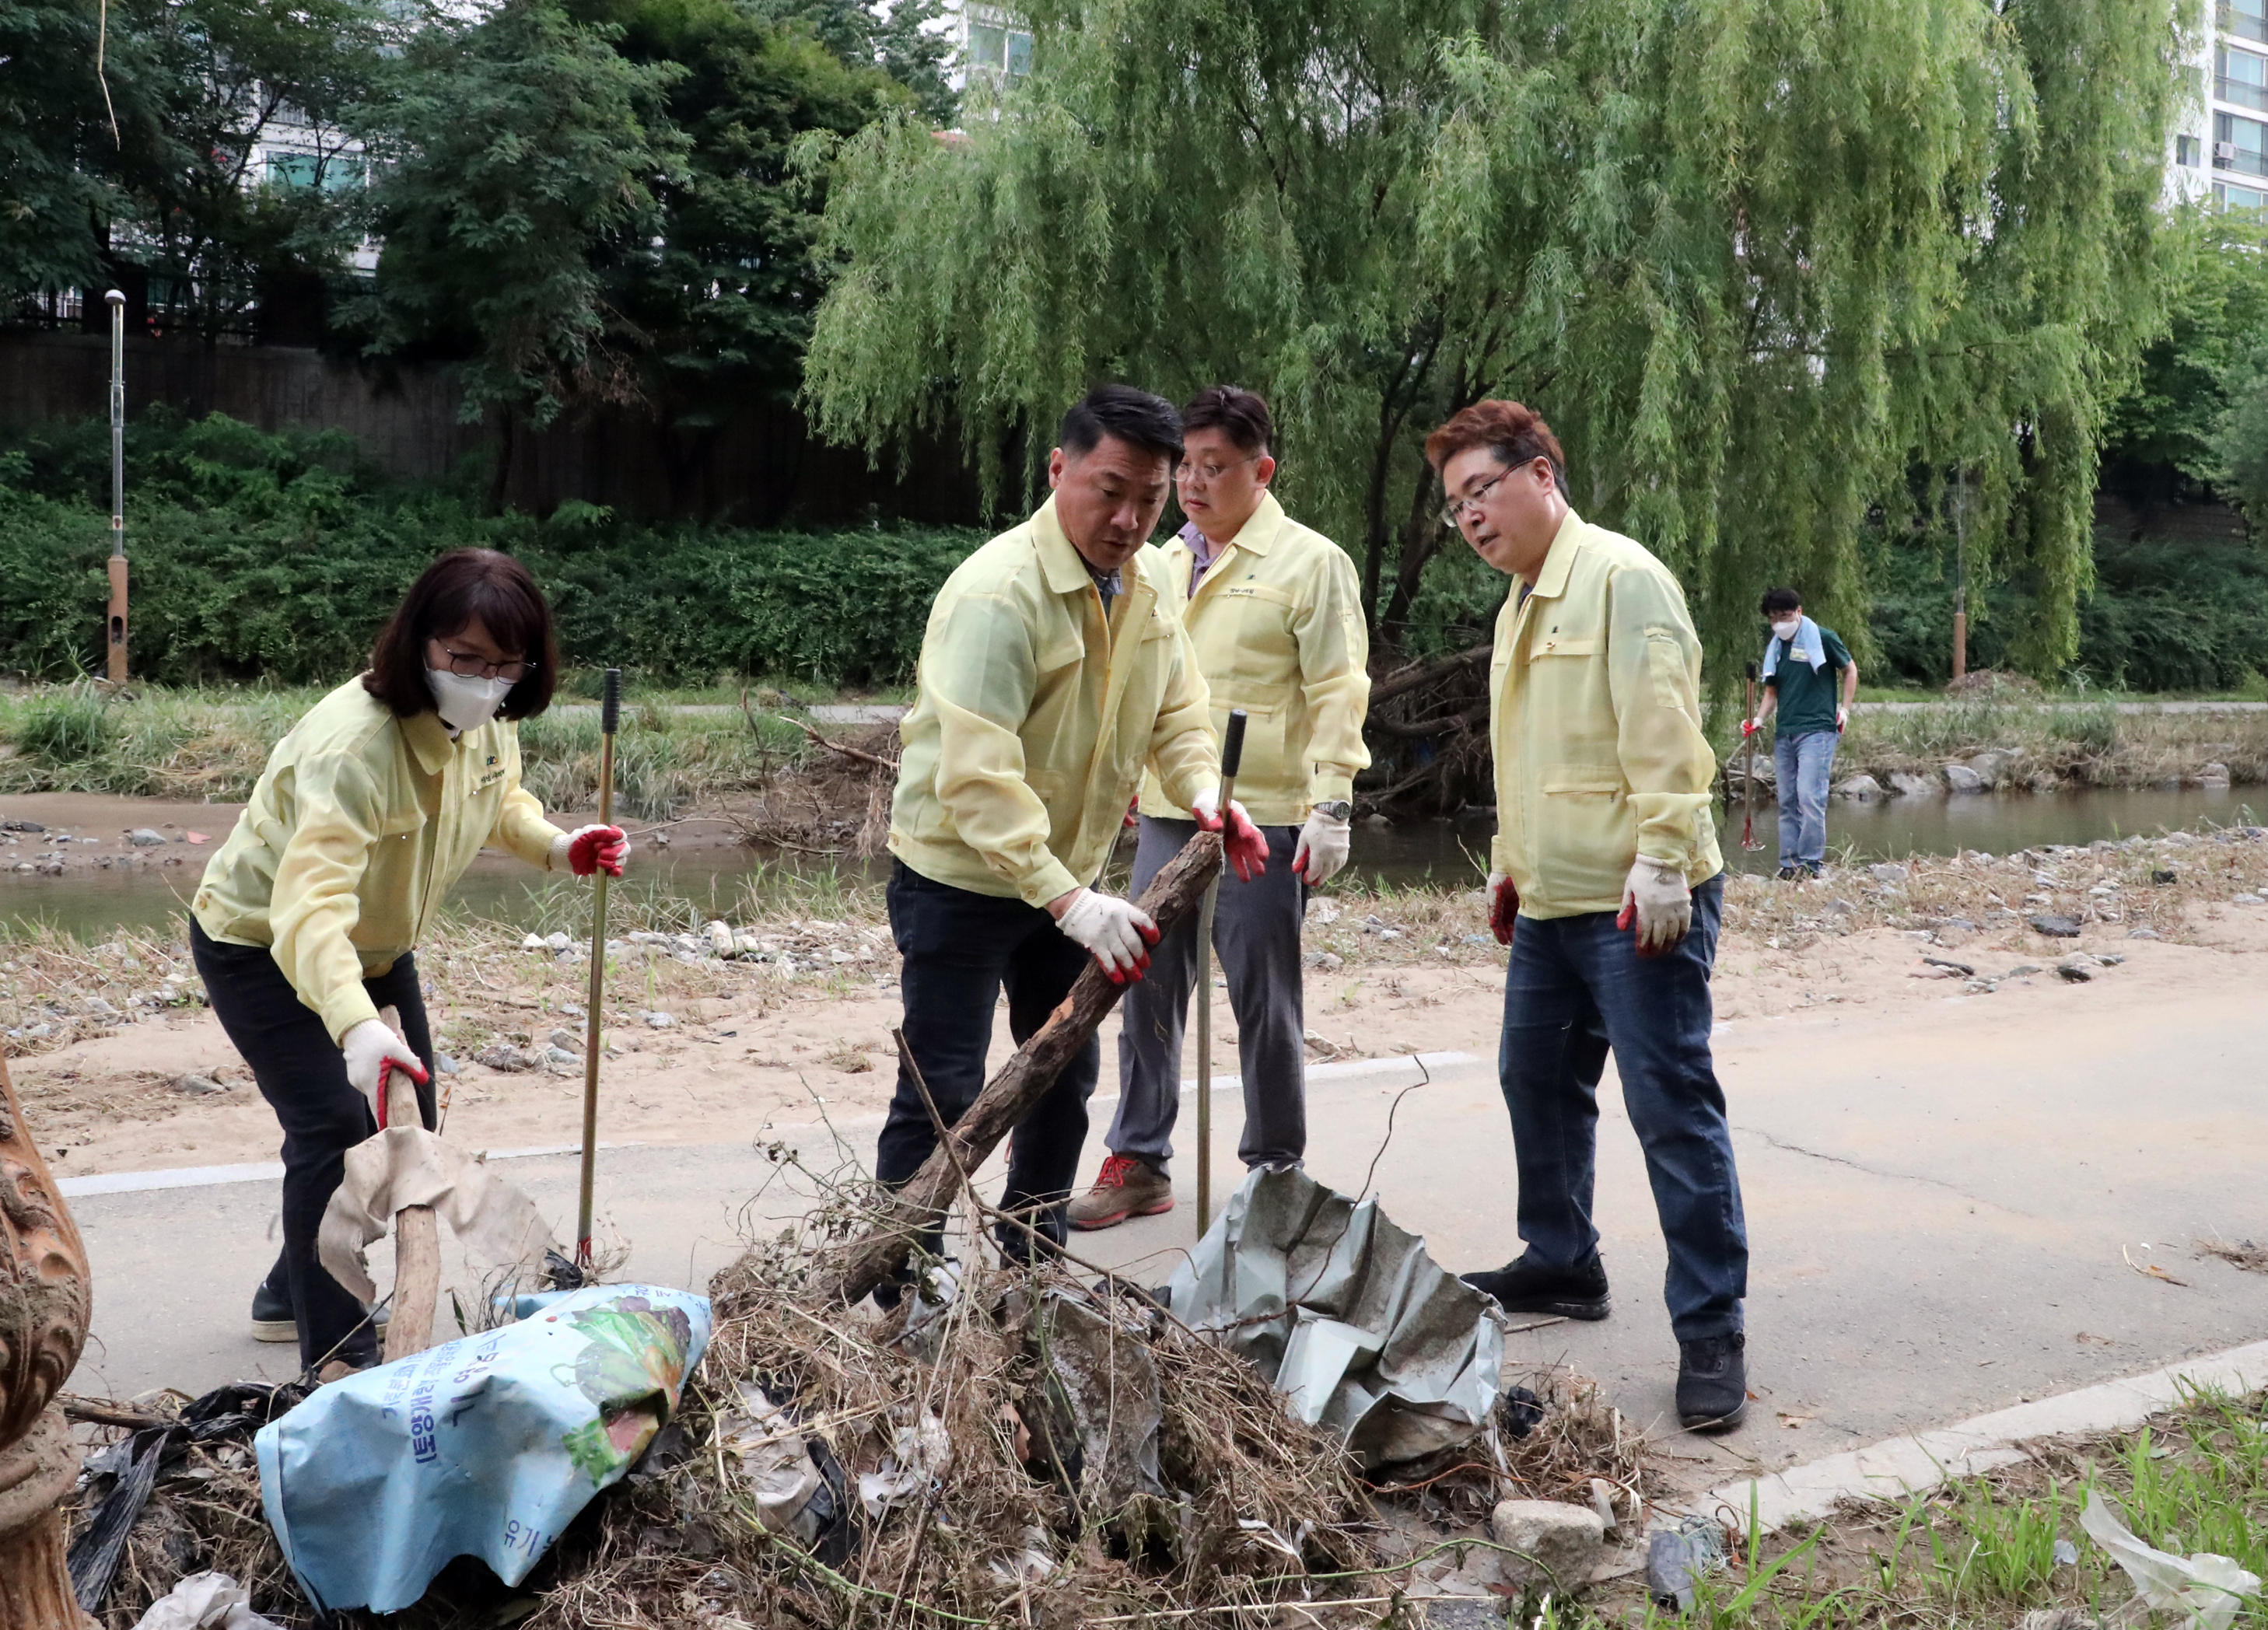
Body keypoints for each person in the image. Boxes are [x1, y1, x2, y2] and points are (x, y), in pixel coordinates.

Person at [191, 550, 627, 1376]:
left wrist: (560, 845)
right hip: (259, 941)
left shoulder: (488, 724)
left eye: (506, 665)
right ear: (419, 642)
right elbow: (306, 907)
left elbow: (498, 802)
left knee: (411, 1123)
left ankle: (294, 1280)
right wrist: (353, 1024)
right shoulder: (351, 749)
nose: (484, 680)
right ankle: (338, 1361)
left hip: (379, 945)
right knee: (330, 1125)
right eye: (464, 658)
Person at [877, 385, 1268, 1288]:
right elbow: (975, 777)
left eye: (1151, 497)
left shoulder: (1151, 584)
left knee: (1062, 1072)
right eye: (1110, 489)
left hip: (1072, 874)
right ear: (1059, 469)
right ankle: (899, 1274)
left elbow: (1176, 707)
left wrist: (1207, 793)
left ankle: (1030, 1264)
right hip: (963, 875)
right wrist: (1072, 901)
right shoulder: (997, 593)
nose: (1129, 519)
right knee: (942, 1080)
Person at [1430, 400, 1751, 1431]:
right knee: (1536, 1080)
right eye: (1455, 506)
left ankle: (1711, 1332)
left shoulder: (1621, 578)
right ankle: (1563, 1259)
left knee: (1670, 1109)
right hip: (1553, 903)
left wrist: (1665, 858)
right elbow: (1536, 754)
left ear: (1541, 474)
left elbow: (1664, 728)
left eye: (1481, 490)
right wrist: (1510, 868)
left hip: (1635, 903)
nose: (1471, 517)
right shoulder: (1520, 603)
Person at [1068, 386, 1370, 1229]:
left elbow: (1341, 687)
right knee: (1144, 986)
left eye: (1213, 467)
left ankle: (1276, 1170)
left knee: (1264, 998)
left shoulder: (1312, 563)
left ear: (1261, 470)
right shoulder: (1158, 563)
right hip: (1171, 807)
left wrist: (1332, 801)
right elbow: (1138, 678)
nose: (1193, 485)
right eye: (1184, 469)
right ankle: (1139, 1158)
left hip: (1265, 816)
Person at [1743, 587, 1857, 880]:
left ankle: (1811, 863)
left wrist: (1844, 709)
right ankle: (1789, 864)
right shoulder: (1776, 648)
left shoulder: (1823, 638)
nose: (1780, 623)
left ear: (1799, 612)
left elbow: (1850, 670)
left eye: (1784, 616)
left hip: (1817, 730)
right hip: (1786, 732)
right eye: (1773, 618)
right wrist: (1757, 719)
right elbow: (1772, 692)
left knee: (1810, 796)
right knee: (1788, 800)